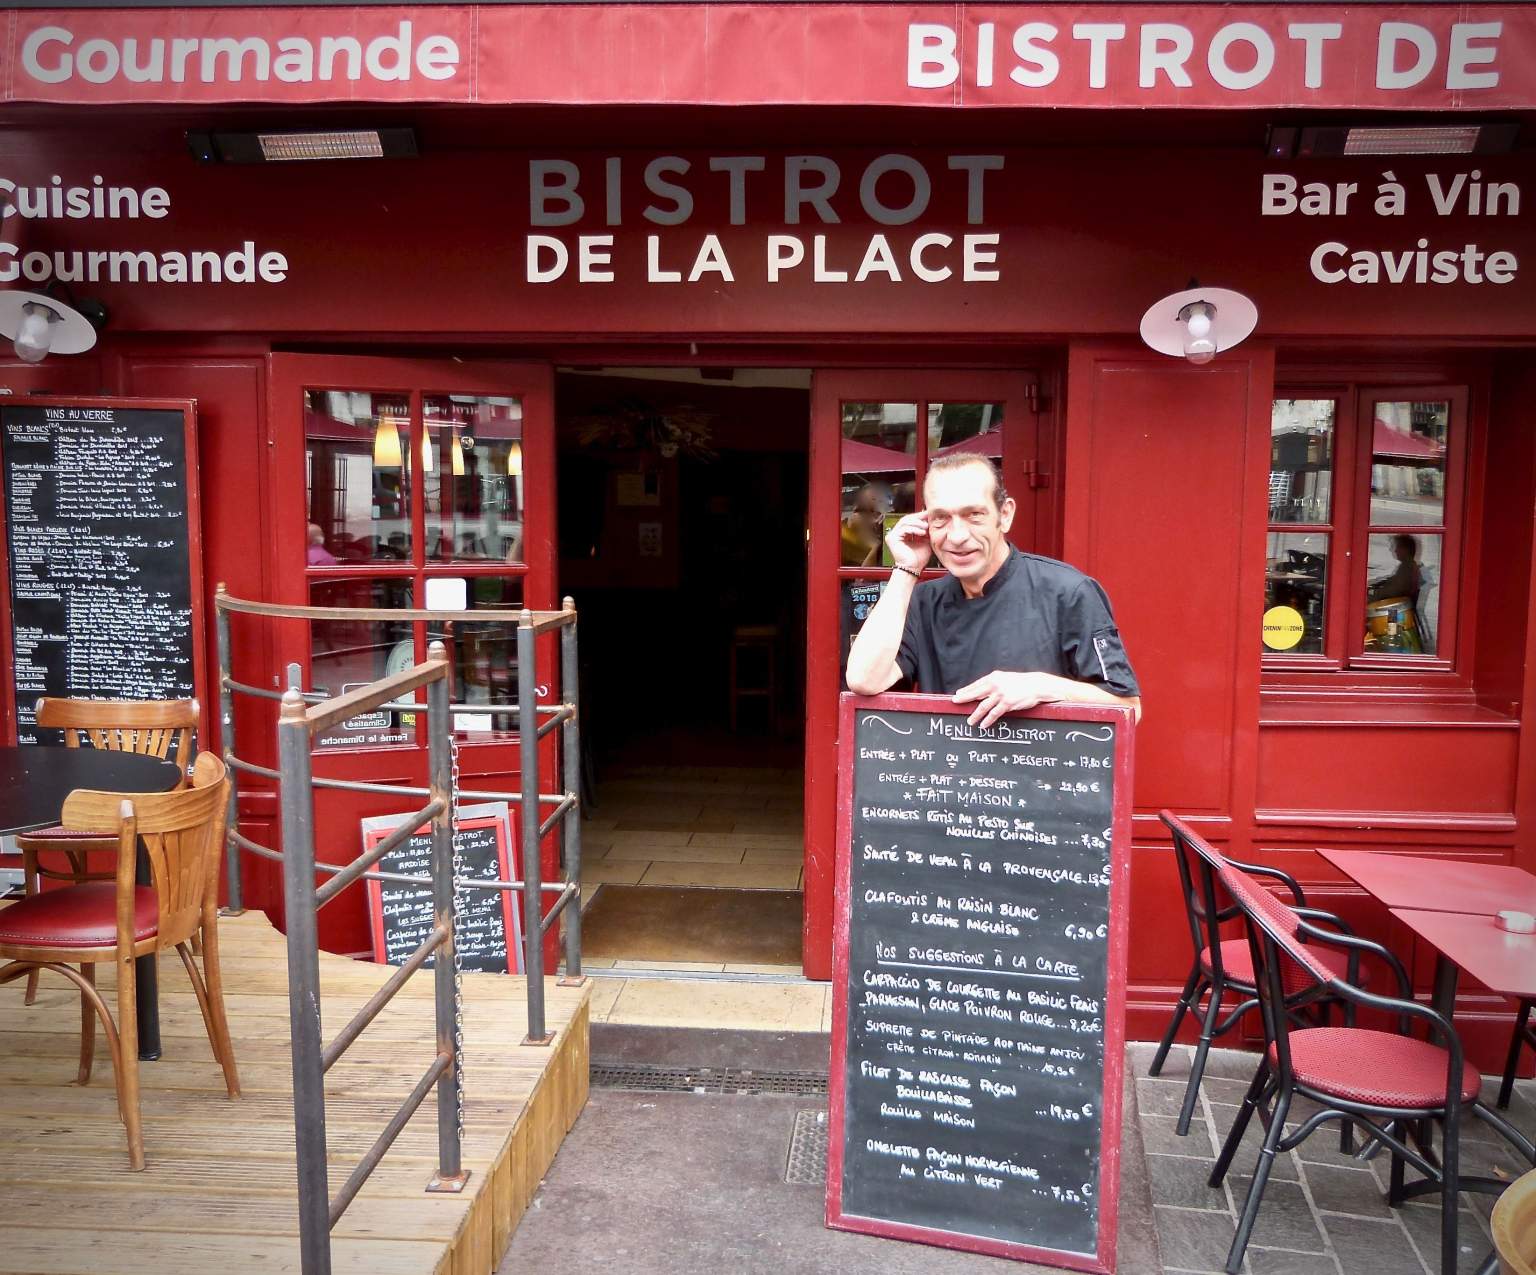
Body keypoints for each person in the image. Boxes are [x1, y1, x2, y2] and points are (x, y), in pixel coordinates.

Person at [844, 454, 1141, 728]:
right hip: (947, 779)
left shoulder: (1069, 593)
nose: (957, 536)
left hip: (1041, 779)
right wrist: (906, 570)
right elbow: (864, 680)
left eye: (974, 515)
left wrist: (1041, 688)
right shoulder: (923, 601)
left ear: (1005, 514)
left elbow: (1128, 707)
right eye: (941, 518)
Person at [840, 481, 894, 567]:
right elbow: (862, 574)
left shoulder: (884, 521)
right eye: (873, 498)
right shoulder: (855, 521)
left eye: (879, 499)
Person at [1368, 534, 1422, 605]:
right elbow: (1396, 581)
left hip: (1393, 610)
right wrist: (1380, 582)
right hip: (1399, 604)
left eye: (1396, 547)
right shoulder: (1408, 565)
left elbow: (1394, 591)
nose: (1394, 550)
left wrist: (1373, 592)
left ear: (1405, 549)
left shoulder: (1406, 568)